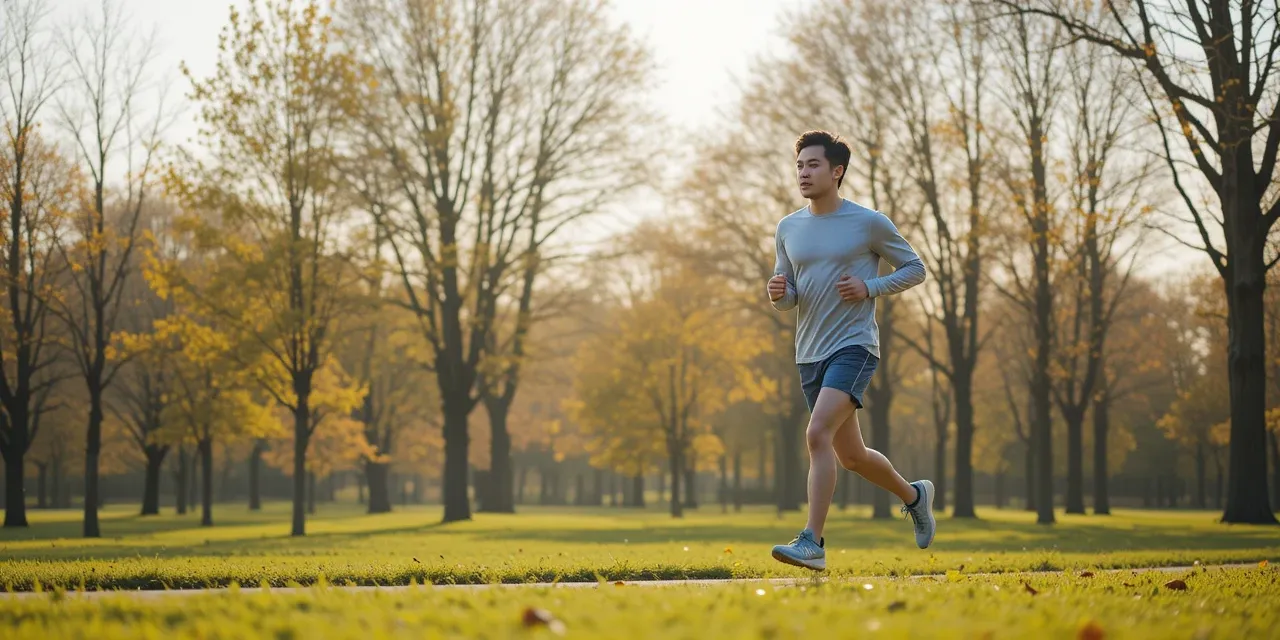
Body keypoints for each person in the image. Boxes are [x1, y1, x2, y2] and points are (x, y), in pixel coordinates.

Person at [766, 130, 934, 571]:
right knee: (851, 456)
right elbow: (789, 299)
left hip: (854, 346)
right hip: (809, 353)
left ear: (837, 171)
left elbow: (915, 268)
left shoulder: (869, 222)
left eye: (814, 165)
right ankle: (914, 496)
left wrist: (869, 287)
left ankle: (812, 542)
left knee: (816, 433)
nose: (804, 173)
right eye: (799, 165)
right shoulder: (788, 227)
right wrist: (778, 292)